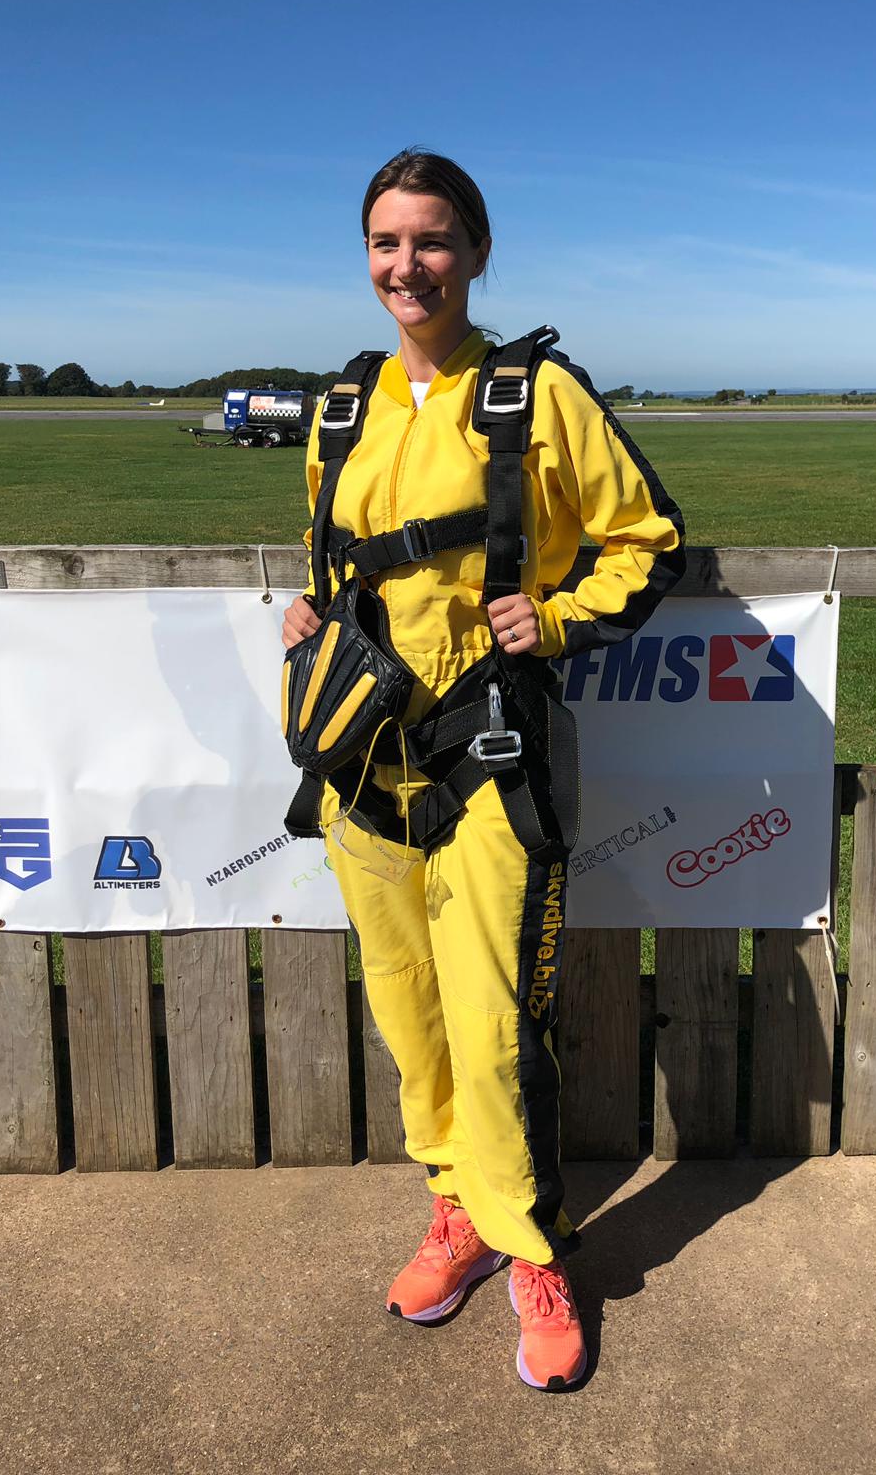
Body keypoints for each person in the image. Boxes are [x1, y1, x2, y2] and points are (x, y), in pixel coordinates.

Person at [282, 148, 686, 1391]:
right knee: (410, 1007)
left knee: (499, 1018)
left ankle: (530, 1246)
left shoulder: (534, 392)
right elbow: (330, 555)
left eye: (434, 240)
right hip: (365, 763)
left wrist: (554, 620)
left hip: (490, 750)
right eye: (386, 242)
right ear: (366, 255)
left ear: (478, 252)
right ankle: (455, 1206)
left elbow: (646, 541)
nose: (409, 266)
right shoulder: (342, 405)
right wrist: (309, 612)